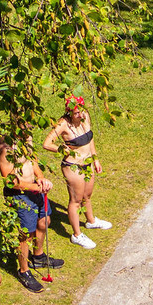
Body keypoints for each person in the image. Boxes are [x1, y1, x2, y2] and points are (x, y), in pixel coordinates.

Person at [43, 93, 112, 248]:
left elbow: (89, 138)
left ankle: (91, 221)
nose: (80, 115)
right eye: (76, 113)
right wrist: (61, 149)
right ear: (69, 112)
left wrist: (95, 158)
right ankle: (76, 235)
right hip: (73, 167)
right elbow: (47, 143)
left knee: (87, 196)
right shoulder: (63, 124)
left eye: (81, 111)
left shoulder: (85, 116)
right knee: (75, 201)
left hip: (87, 164)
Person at [0, 136, 64, 290]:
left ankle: (38, 257)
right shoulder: (5, 148)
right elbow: (9, 181)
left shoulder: (27, 139)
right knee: (26, 233)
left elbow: (32, 161)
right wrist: (35, 188)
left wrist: (40, 177)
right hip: (19, 195)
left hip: (35, 188)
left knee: (45, 220)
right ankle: (24, 271)